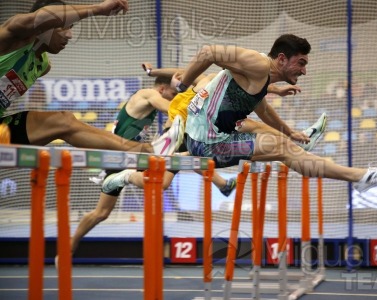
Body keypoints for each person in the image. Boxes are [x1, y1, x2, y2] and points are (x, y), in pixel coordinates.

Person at [162, 34, 377, 193]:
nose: (304, 71)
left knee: (273, 138)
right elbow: (208, 52)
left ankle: (350, 173)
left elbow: (262, 108)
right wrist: (183, 85)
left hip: (208, 138)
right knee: (282, 149)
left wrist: (289, 131)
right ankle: (360, 178)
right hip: (207, 143)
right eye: (301, 63)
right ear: (282, 59)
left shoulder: (262, 79)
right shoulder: (259, 64)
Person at [69, 75, 238, 256]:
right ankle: (127, 177)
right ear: (162, 89)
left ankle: (70, 246)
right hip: (123, 157)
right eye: (172, 93)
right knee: (166, 169)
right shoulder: (147, 94)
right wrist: (198, 103)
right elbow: (173, 108)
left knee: (102, 213)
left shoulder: (147, 106)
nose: (174, 97)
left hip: (135, 155)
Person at [0, 0, 180, 154]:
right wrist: (98, 9)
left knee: (63, 120)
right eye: (64, 27)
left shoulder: (43, 66)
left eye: (71, 28)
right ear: (44, 27)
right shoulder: (14, 36)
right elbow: (39, 19)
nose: (69, 35)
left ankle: (147, 150)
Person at [144, 63, 327, 155]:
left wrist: (277, 90)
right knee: (157, 172)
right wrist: (153, 72)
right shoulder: (195, 87)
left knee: (248, 124)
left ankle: (297, 141)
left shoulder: (211, 79)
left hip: (196, 131)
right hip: (179, 129)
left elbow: (250, 85)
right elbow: (179, 71)